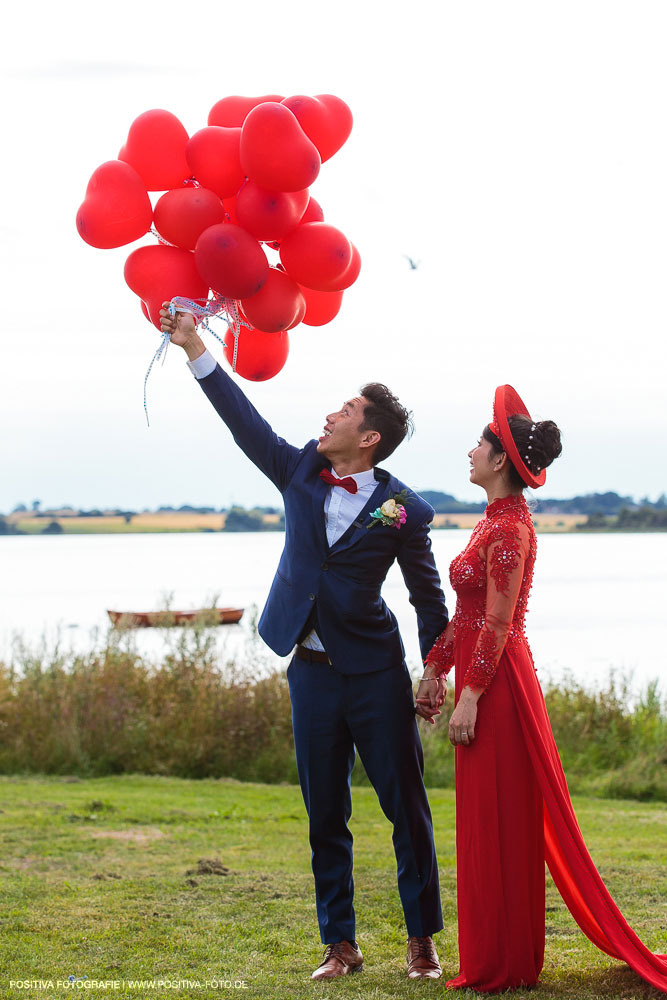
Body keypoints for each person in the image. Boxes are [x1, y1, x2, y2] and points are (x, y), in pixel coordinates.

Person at [159, 304, 449, 981]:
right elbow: (243, 421)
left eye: (344, 411)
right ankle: (339, 945)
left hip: (377, 671)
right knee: (325, 814)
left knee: (404, 808)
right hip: (310, 671)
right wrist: (195, 346)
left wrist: (434, 670)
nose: (330, 416)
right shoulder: (296, 473)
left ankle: (420, 942)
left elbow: (427, 597)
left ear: (369, 437)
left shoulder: (404, 507)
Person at [420, 385, 667, 993]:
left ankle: (504, 962)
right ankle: (491, 955)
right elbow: (469, 615)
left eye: (479, 444)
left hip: (500, 686)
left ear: (499, 460)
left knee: (502, 815)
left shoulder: (512, 531)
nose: (470, 451)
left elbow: (500, 623)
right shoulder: (490, 524)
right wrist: (432, 671)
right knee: (483, 817)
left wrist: (471, 695)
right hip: (483, 674)